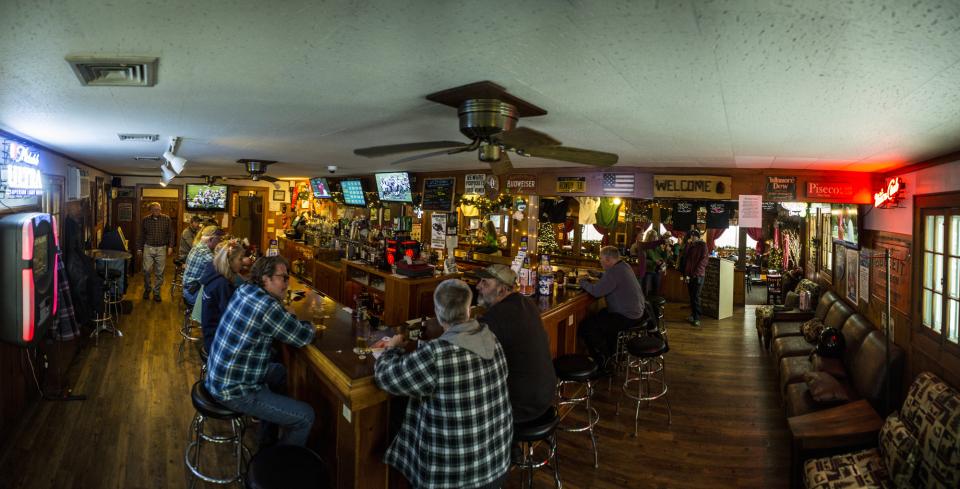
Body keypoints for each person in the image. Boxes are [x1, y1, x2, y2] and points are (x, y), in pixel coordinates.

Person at [375, 279, 512, 489]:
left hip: (452, 477)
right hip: (497, 466)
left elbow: (386, 377)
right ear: (468, 309)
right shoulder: (492, 339)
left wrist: (391, 348)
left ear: (438, 313)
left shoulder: (437, 354)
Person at [205, 256, 316, 447]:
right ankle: (278, 468)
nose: (287, 283)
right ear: (266, 279)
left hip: (219, 377)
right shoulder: (267, 306)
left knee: (280, 372)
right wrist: (312, 324)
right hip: (234, 390)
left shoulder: (245, 290)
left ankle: (267, 439)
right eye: (283, 278)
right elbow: (302, 336)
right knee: (305, 416)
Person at [476, 264, 556, 423]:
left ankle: (505, 447)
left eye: (485, 282)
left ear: (502, 289)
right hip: (545, 394)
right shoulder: (526, 303)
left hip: (521, 407)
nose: (478, 286)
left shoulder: (496, 317)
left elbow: (473, 357)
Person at [577, 246, 647, 370]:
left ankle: (603, 360)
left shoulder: (614, 272)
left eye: (601, 259)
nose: (600, 261)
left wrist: (581, 281)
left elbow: (596, 292)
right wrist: (599, 274)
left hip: (627, 317)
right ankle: (612, 352)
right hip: (637, 313)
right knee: (600, 315)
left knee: (586, 327)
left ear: (608, 260)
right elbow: (612, 278)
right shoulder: (623, 266)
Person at [198, 239, 246, 353]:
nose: (242, 262)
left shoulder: (214, 274)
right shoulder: (222, 284)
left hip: (210, 335)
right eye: (240, 259)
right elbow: (230, 318)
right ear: (229, 261)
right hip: (216, 341)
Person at [137, 202, 175, 302]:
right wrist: (139, 248)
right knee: (146, 270)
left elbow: (171, 233)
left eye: (159, 209)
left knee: (160, 272)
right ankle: (147, 288)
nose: (158, 211)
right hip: (148, 247)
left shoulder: (166, 219)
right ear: (151, 211)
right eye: (156, 209)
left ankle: (157, 292)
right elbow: (141, 235)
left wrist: (171, 246)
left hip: (161, 248)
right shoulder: (145, 220)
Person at [182, 225, 224, 306]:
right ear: (211, 239)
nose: (219, 243)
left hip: (189, 289)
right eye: (219, 240)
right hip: (193, 293)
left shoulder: (198, 246)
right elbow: (221, 267)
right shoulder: (203, 251)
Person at [682, 229, 709, 327]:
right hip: (689, 275)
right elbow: (686, 259)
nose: (692, 238)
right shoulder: (690, 246)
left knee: (696, 297)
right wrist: (688, 245)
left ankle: (697, 318)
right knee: (692, 296)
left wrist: (696, 273)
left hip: (698, 275)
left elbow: (704, 261)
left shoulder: (703, 245)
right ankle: (693, 315)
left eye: (693, 236)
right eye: (690, 236)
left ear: (698, 236)